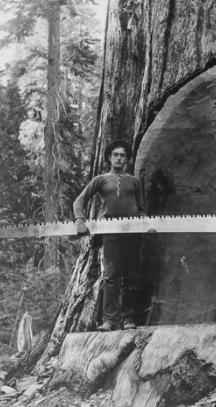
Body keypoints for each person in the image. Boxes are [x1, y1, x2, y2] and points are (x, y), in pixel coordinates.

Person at [73, 139, 150, 332]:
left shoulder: (134, 181)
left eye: (122, 155)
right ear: (109, 157)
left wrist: (144, 224)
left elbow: (141, 209)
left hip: (132, 234)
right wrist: (80, 220)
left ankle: (127, 319)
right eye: (115, 154)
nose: (119, 158)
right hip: (111, 234)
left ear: (127, 159)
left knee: (130, 277)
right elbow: (79, 201)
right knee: (110, 276)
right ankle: (109, 321)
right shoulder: (101, 180)